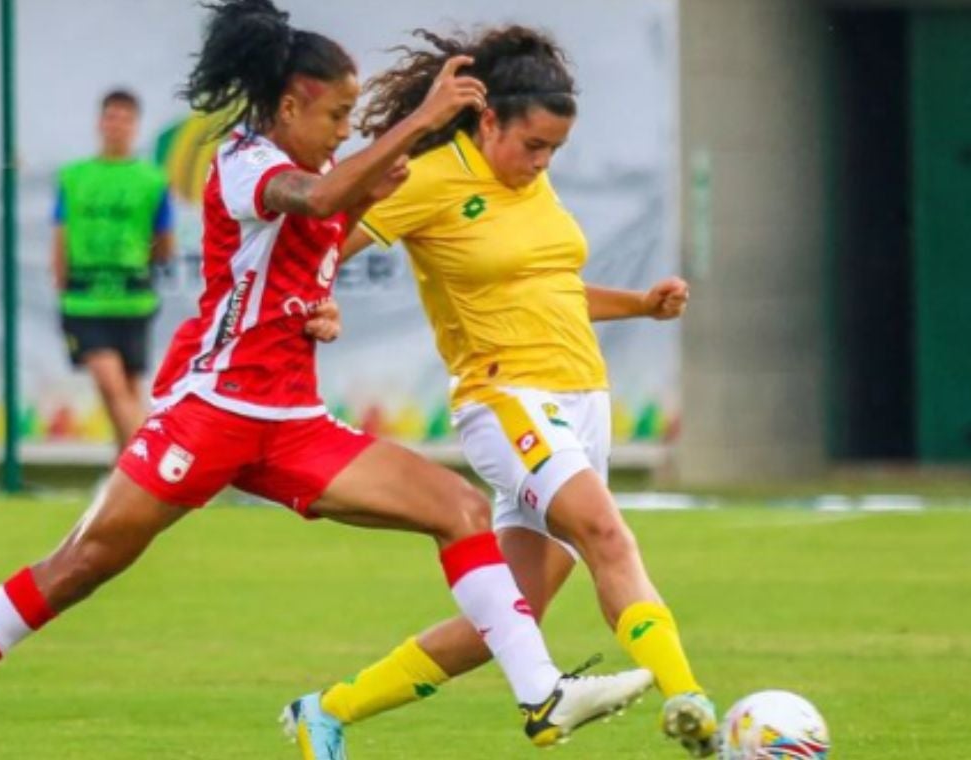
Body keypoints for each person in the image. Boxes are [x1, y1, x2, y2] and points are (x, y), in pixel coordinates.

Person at [0, 3, 650, 758]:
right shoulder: (244, 161)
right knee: (80, 567)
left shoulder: (325, 161)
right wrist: (422, 120)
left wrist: (317, 305)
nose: (342, 129)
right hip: (209, 413)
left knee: (460, 508)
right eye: (335, 113)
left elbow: (318, 240)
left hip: (292, 422)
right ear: (290, 105)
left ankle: (541, 694)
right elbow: (321, 197)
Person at [284, 25, 719, 759]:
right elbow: (318, 247)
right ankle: (692, 706)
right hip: (506, 398)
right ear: (489, 121)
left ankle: (323, 712)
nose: (542, 163)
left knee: (508, 620)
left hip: (581, 405)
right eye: (534, 146)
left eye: (554, 151)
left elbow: (550, 289)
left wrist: (641, 305)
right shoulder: (427, 180)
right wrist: (316, 303)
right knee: (608, 535)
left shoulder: (528, 179)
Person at [53, 89, 176, 450]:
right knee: (109, 382)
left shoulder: (151, 180)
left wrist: (144, 258)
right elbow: (60, 234)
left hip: (132, 298)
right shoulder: (74, 177)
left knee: (126, 388)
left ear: (135, 126)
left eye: (125, 119)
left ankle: (124, 470)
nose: (116, 126)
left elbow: (163, 240)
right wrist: (61, 282)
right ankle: (146, 464)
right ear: (99, 122)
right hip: (85, 298)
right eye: (111, 117)